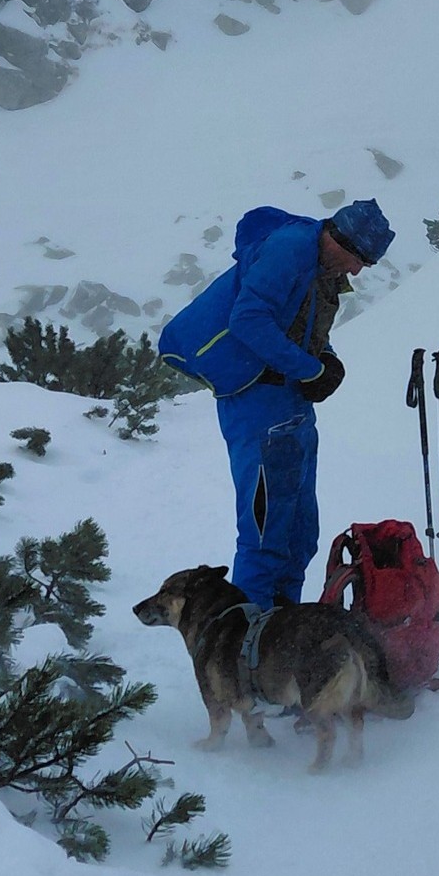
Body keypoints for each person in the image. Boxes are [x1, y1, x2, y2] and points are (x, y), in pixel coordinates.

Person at [161, 199, 394, 610]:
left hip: (290, 403)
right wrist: (310, 370)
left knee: (300, 535)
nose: (358, 271)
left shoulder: (321, 263)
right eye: (359, 259)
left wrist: (326, 360)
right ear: (339, 237)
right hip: (256, 402)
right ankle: (246, 652)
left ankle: (281, 636)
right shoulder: (289, 249)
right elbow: (248, 320)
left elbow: (297, 322)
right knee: (266, 535)